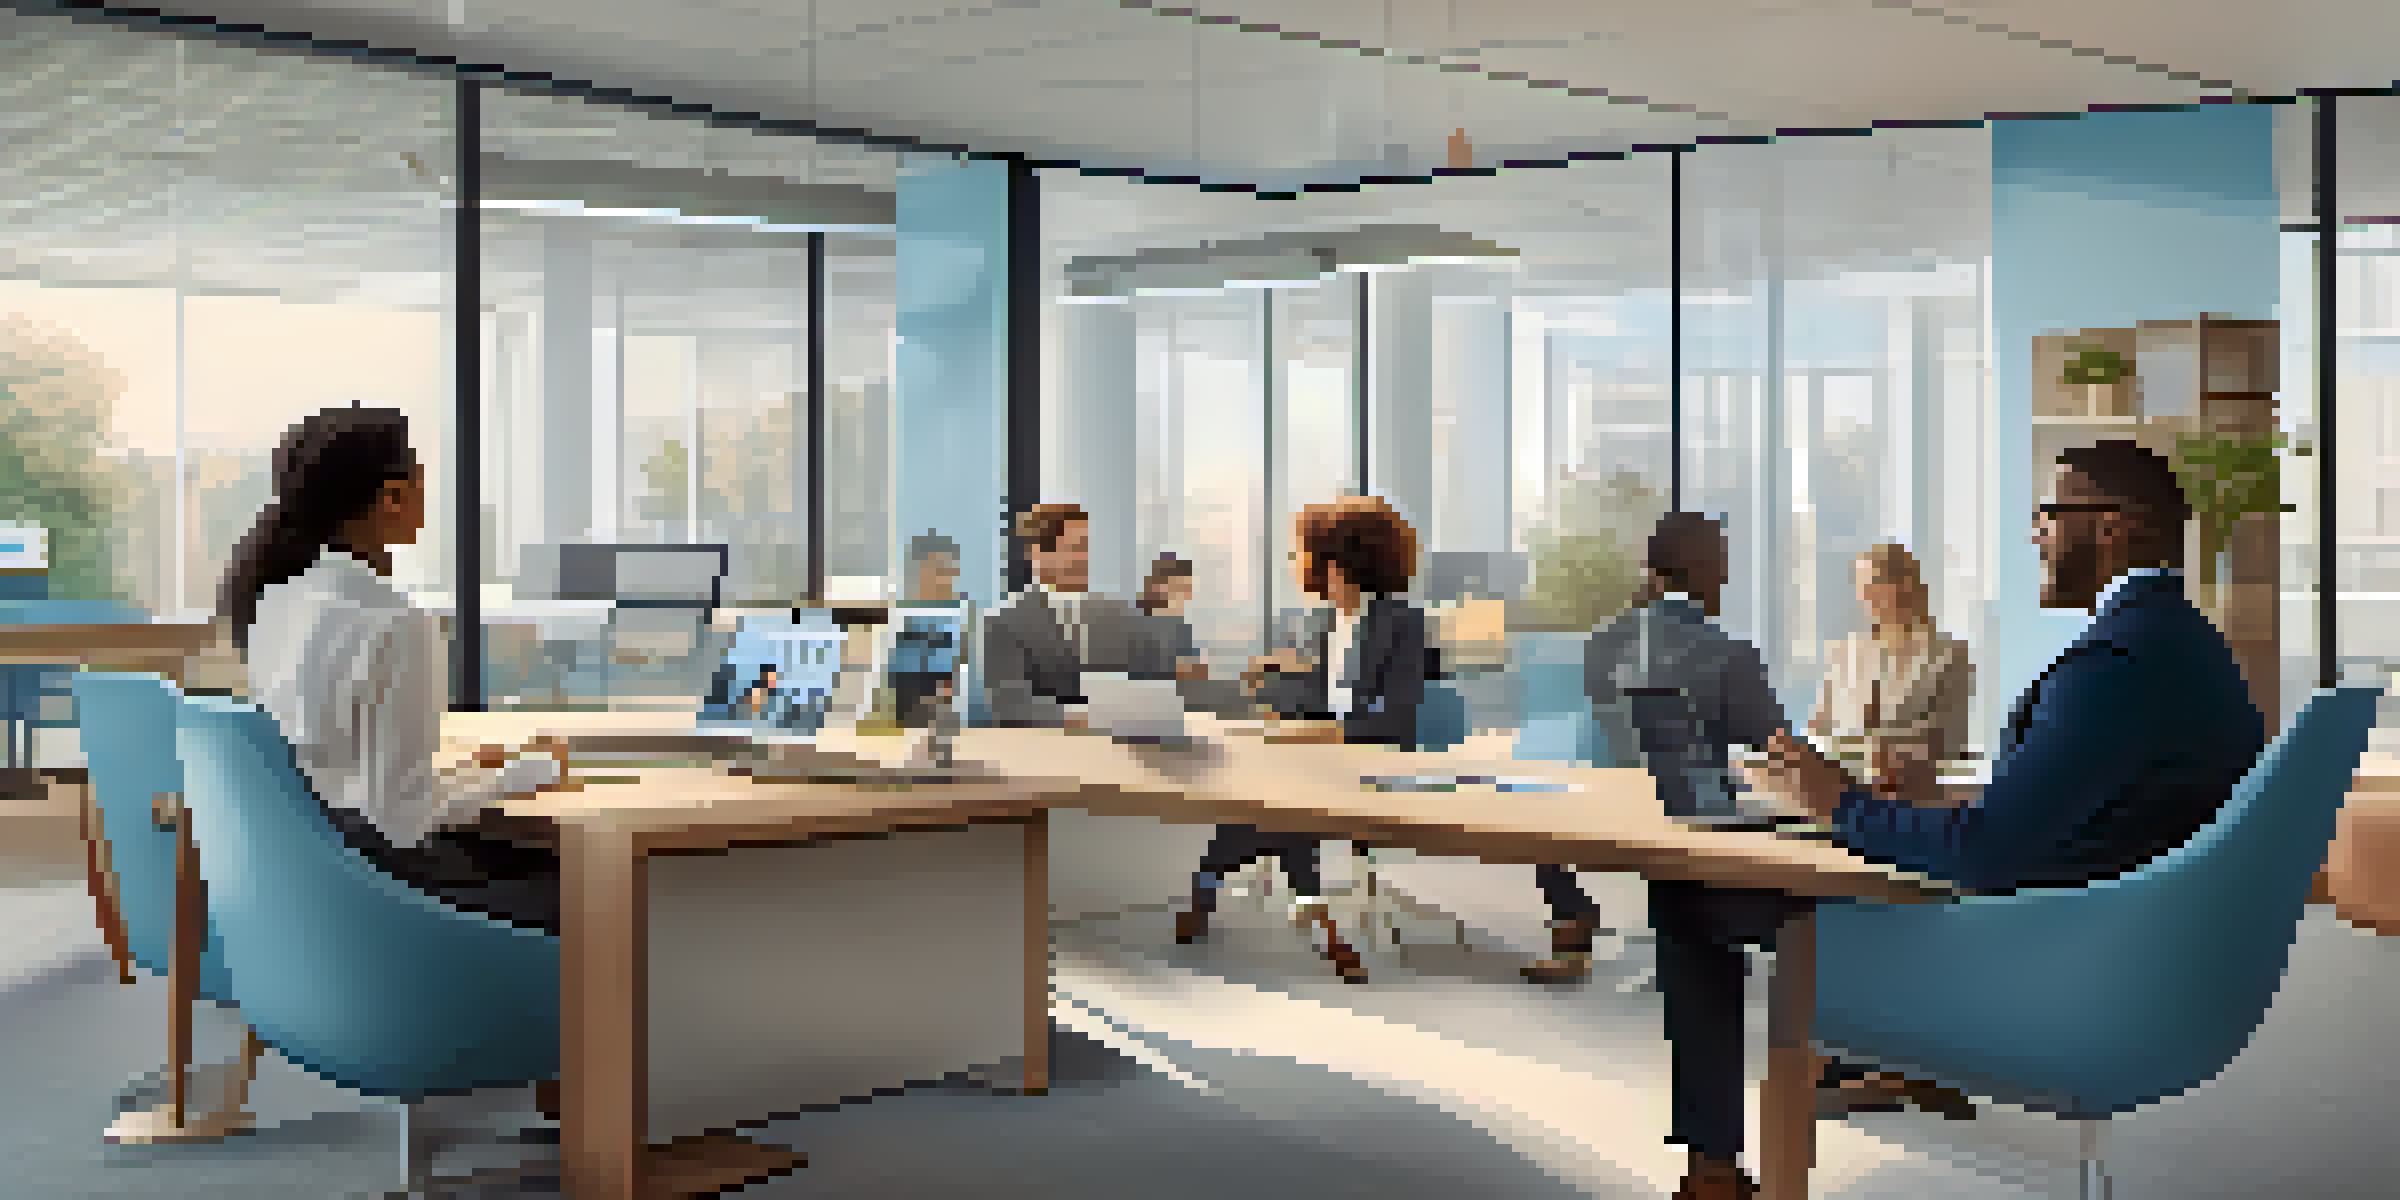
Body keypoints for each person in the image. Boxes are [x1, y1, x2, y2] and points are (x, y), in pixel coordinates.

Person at [1667, 440, 2269, 1200]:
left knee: (1696, 895)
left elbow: (1983, 857)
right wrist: (1933, 794)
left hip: (2041, 961)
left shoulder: (2116, 661)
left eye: (2050, 514)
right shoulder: (2181, 646)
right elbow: (2099, 807)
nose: (2036, 534)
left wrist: (1838, 804)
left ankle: (1716, 1172)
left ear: (2116, 528)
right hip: (2117, 940)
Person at [212, 408, 569, 1137]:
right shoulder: (395, 623)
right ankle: (614, 1099)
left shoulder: (276, 603)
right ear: (393, 496)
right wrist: (526, 773)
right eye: (422, 477)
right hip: (387, 878)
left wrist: (470, 778)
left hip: (319, 880)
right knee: (611, 888)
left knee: (533, 859)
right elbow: (401, 817)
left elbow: (348, 776)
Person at [1522, 512, 1789, 993]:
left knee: (1542, 817)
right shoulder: (1727, 652)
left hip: (1613, 803)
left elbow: (1614, 726)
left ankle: (1574, 921)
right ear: (1709, 571)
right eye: (1723, 563)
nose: (1728, 577)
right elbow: (1778, 747)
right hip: (1695, 814)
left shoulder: (1601, 643)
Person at [1174, 495, 1429, 985]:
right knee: (1263, 799)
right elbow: (1317, 697)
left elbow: (1395, 719)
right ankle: (1310, 914)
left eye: (1311, 555)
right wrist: (1272, 703)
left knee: (1281, 811)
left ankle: (1212, 887)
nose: (1304, 566)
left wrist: (1321, 732)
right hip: (1317, 759)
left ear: (1342, 561)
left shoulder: (1403, 623)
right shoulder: (1326, 623)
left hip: (1372, 762)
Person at [1806, 542, 1975, 804]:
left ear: (1905, 585)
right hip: (1842, 796)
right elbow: (1818, 728)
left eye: (1874, 583)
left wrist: (1887, 753)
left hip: (1912, 802)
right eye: (1860, 586)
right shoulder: (1845, 653)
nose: (1866, 595)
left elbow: (1949, 741)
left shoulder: (1950, 655)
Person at [981, 503, 1140, 728]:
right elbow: (1008, 702)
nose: (1083, 557)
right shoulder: (1005, 622)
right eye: (1074, 547)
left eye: (1085, 546)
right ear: (1038, 552)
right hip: (1046, 749)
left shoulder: (1114, 613)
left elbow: (1139, 679)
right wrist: (1078, 717)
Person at [1132, 552, 1204, 683]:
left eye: (1187, 589)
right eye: (1180, 588)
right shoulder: (1141, 626)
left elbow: (1195, 669)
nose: (1186, 596)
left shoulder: (1181, 628)